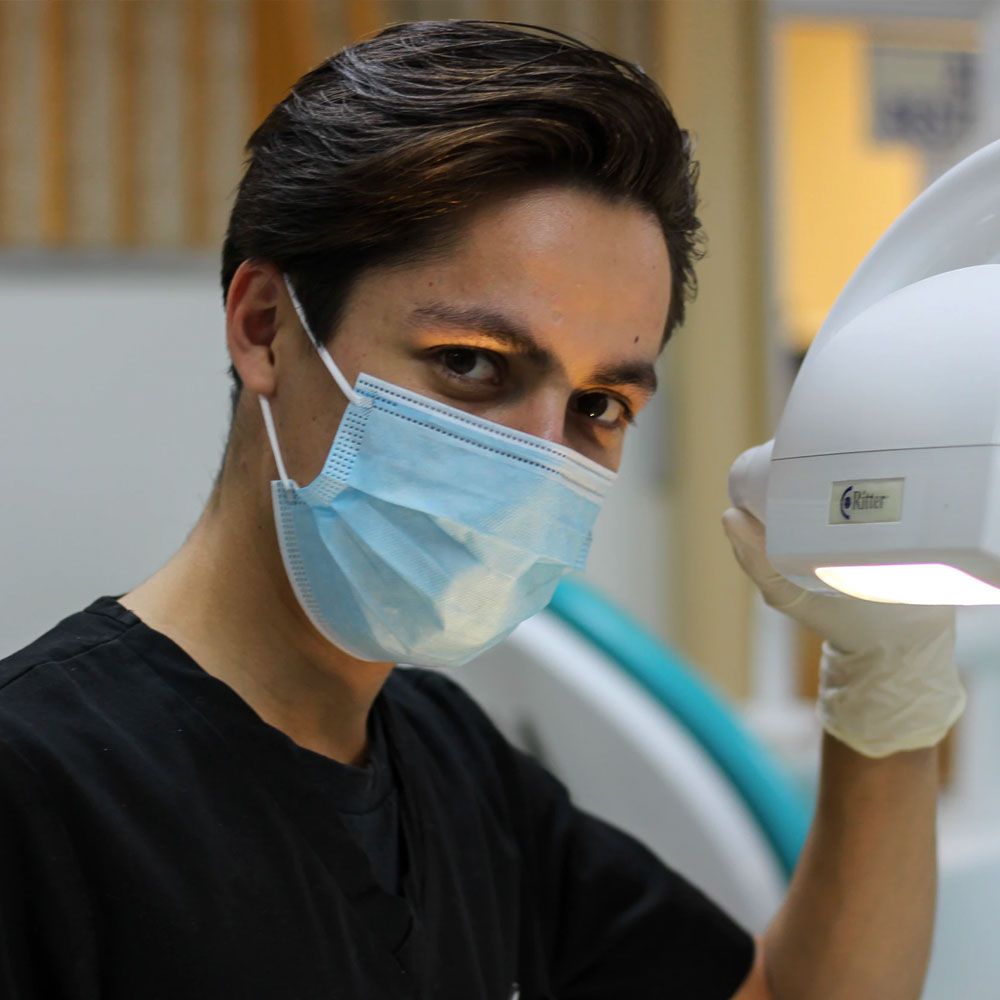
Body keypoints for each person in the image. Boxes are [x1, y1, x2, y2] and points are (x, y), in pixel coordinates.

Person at [0, 20, 965, 1000]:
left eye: (598, 406)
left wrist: (886, 687)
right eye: (471, 363)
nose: (537, 457)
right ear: (265, 327)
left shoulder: (452, 764)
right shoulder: (40, 792)